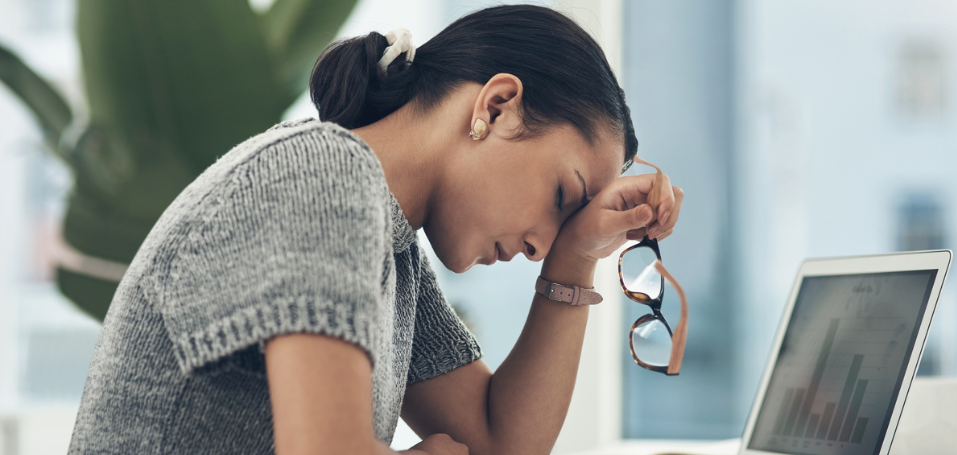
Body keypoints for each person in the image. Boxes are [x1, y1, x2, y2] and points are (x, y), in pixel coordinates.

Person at [68, 4, 683, 454]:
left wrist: (576, 257)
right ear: (495, 107)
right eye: (561, 197)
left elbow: (501, 443)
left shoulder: (395, 252)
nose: (538, 245)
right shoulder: (323, 173)